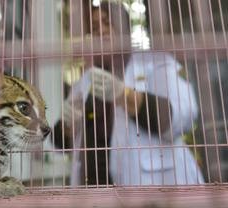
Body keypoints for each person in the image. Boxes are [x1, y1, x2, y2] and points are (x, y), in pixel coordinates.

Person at [54, 0, 204, 186]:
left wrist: (124, 96)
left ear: (124, 27)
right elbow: (60, 144)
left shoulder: (155, 63)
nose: (100, 30)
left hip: (157, 184)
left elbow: (185, 115)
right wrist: (67, 126)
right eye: (94, 27)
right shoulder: (85, 80)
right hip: (95, 189)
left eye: (107, 22)